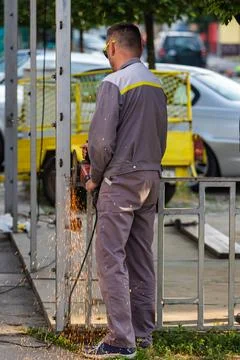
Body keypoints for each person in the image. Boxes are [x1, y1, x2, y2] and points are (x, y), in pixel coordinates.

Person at [85, 23, 168, 359]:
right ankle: (142, 333)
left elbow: (102, 142)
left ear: (114, 45)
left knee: (110, 259)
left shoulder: (115, 82)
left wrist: (95, 176)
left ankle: (121, 340)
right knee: (140, 257)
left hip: (120, 180)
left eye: (107, 48)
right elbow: (161, 136)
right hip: (151, 177)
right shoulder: (156, 84)